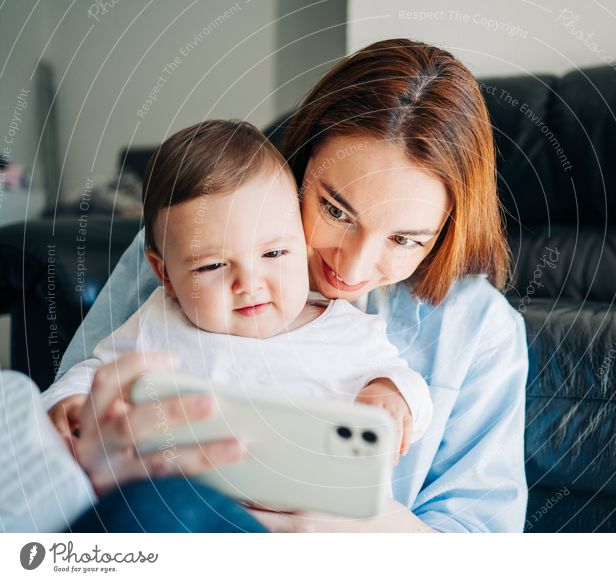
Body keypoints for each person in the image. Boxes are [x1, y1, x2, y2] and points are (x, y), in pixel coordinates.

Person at [52, 38, 529, 533]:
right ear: (300, 166)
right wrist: (77, 444)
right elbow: (70, 414)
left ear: (447, 231)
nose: (353, 266)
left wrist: (376, 532)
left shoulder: (480, 331)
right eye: (335, 210)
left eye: (406, 239)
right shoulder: (196, 240)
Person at [41, 119, 432, 465]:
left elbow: (407, 388)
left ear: (301, 238)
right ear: (166, 275)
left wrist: (393, 394)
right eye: (212, 265)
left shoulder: (350, 334)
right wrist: (68, 405)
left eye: (274, 253)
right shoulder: (159, 322)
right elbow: (93, 375)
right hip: (182, 499)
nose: (249, 283)